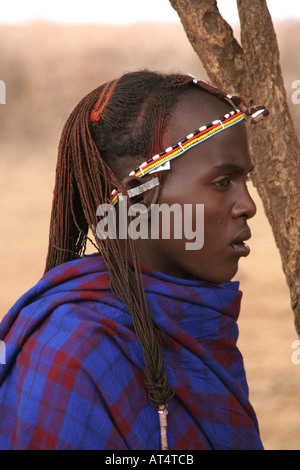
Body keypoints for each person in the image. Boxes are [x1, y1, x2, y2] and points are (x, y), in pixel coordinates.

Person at [0, 70, 268, 450]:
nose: (249, 206)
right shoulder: (74, 351)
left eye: (246, 181)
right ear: (138, 198)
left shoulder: (197, 321)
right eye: (223, 182)